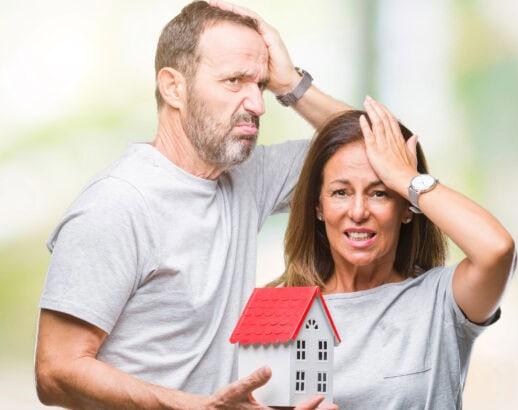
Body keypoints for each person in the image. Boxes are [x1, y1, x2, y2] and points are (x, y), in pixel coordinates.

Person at [34, 1, 348, 408]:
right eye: (235, 81)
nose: (258, 104)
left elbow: (385, 156)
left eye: (261, 84)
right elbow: (55, 372)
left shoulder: (248, 177)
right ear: (173, 87)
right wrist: (192, 406)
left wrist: (291, 83)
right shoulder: (117, 205)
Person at [269, 96, 517, 408]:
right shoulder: (281, 310)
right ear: (318, 207)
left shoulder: (440, 301)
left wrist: (405, 177)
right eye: (341, 192)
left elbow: (497, 250)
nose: (358, 211)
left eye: (379, 193)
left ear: (407, 208)